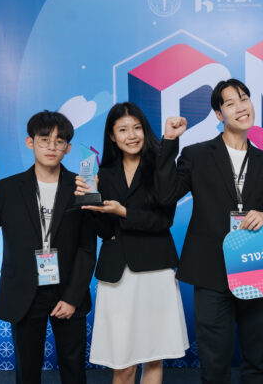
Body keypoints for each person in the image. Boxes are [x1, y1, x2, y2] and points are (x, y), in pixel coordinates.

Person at [155, 79, 263, 384]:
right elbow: (165, 195)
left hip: (258, 270)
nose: (241, 107)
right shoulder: (196, 154)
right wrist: (169, 142)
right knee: (214, 366)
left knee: (257, 363)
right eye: (230, 103)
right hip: (211, 271)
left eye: (244, 99)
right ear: (218, 114)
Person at [0, 110, 96, 384]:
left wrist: (72, 297)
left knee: (74, 367)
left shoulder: (82, 186)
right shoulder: (9, 188)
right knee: (27, 368)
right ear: (30, 142)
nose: (51, 147)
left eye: (59, 141)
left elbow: (87, 248)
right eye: (44, 140)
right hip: (24, 291)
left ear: (68, 148)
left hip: (68, 290)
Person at [76, 102, 188, 384]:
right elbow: (105, 232)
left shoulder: (160, 167)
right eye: (123, 130)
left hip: (155, 270)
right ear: (112, 136)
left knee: (153, 356)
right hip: (118, 273)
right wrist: (90, 200)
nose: (132, 135)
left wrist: (123, 212)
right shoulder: (104, 173)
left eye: (137, 128)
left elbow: (163, 220)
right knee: (122, 364)